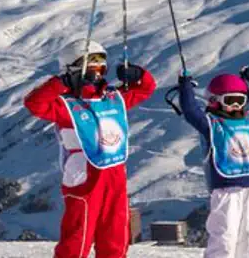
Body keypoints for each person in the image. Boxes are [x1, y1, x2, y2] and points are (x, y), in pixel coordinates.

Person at [22, 39, 158, 258]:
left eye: (101, 65)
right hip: (84, 178)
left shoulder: (112, 99)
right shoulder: (67, 105)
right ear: (74, 68)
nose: (98, 71)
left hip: (114, 177)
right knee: (77, 238)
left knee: (115, 238)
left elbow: (146, 88)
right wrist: (61, 83)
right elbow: (34, 103)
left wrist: (137, 75)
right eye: (91, 64)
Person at [175, 68, 249, 258]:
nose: (237, 106)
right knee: (225, 237)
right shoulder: (211, 124)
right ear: (214, 100)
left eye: (241, 100)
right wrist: (185, 86)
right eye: (231, 101)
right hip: (226, 190)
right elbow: (190, 110)